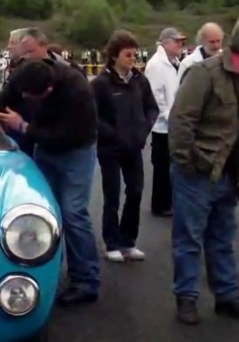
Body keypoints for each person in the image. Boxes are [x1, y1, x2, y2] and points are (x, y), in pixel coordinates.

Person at [0, 59, 100, 306]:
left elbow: (68, 136)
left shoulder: (76, 89)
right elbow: (1, 102)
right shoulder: (24, 77)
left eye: (31, 97)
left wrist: (23, 126)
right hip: (44, 146)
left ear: (47, 91)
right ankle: (44, 271)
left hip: (76, 150)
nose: (25, 99)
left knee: (73, 213)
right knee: (42, 212)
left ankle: (86, 280)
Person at [168, 15, 239, 325]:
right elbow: (181, 120)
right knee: (189, 237)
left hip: (230, 173)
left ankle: (226, 296)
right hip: (198, 172)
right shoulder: (205, 73)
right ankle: (187, 298)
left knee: (222, 236)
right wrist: (188, 162)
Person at [91, 30, 159, 262]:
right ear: (114, 56)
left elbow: (152, 108)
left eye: (134, 54)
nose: (132, 59)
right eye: (128, 55)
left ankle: (128, 241)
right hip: (110, 149)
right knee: (112, 196)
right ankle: (111, 242)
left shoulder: (140, 81)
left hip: (135, 146)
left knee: (136, 192)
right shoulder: (101, 84)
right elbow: (93, 116)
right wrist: (113, 134)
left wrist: (144, 129)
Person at [145, 27, 186, 217]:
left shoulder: (174, 62)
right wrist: (170, 117)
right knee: (162, 167)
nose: (180, 45)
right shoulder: (156, 65)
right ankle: (160, 205)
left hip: (173, 124)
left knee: (170, 166)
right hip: (163, 126)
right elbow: (155, 98)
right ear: (165, 42)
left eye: (181, 42)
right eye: (177, 41)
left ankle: (167, 201)